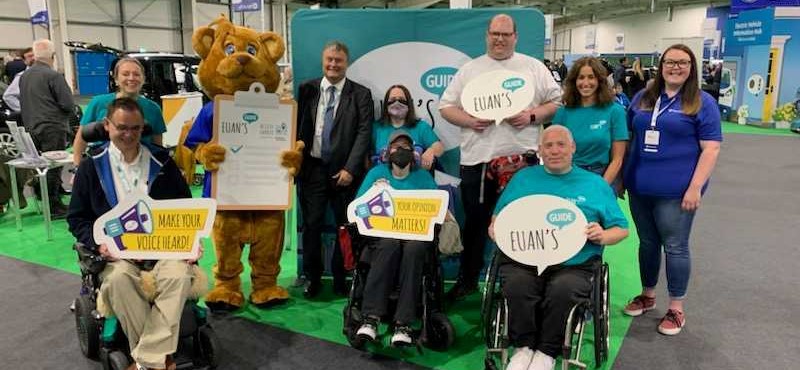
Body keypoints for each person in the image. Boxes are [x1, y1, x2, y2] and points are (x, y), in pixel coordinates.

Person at [67, 97, 196, 370]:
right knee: (118, 281)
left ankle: (146, 361)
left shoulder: (162, 162)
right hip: (117, 255)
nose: (128, 135)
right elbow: (77, 218)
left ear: (142, 128)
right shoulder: (91, 167)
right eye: (122, 128)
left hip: (162, 249)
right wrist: (98, 244)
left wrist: (191, 241)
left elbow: (184, 208)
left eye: (135, 129)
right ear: (107, 125)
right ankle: (161, 359)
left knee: (180, 275)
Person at [439, 13, 562, 300]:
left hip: (521, 160)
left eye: (506, 35)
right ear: (487, 35)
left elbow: (555, 102)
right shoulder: (470, 70)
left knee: (522, 224)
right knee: (475, 224)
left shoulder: (533, 68)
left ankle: (520, 285)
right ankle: (468, 279)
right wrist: (469, 120)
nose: (500, 39)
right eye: (495, 33)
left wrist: (531, 115)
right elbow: (446, 106)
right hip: (477, 160)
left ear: (515, 37)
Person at [488, 125, 629, 370]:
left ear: (573, 148)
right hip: (525, 256)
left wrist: (603, 235)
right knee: (518, 285)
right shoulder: (523, 178)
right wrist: (496, 229)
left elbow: (621, 229)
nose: (555, 150)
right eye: (548, 145)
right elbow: (497, 219)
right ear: (540, 150)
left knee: (563, 290)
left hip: (575, 261)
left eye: (561, 144)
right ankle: (524, 348)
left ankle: (546, 352)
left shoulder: (595, 184)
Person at [622, 44, 722, 336]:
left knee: (675, 246)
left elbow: (711, 149)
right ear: (661, 65)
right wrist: (623, 177)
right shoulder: (643, 97)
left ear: (691, 68)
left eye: (682, 62)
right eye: (670, 62)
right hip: (640, 187)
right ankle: (648, 295)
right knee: (648, 243)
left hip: (678, 191)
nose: (675, 67)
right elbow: (628, 136)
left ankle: (676, 308)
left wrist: (695, 188)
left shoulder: (702, 102)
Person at [296, 40, 374, 298]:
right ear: (323, 61)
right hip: (312, 170)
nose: (333, 65)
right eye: (329, 59)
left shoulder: (361, 94)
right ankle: (312, 278)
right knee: (312, 225)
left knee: (346, 227)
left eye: (338, 60)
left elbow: (364, 133)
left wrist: (351, 169)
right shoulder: (306, 89)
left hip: (345, 173)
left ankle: (343, 278)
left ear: (346, 63)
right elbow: (296, 126)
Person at [354, 130, 438, 347]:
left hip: (414, 236)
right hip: (383, 235)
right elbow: (358, 210)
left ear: (414, 153)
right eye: (396, 147)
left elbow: (438, 209)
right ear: (387, 151)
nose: (401, 151)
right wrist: (373, 194)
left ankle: (403, 323)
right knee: (389, 245)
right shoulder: (376, 174)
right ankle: (371, 318)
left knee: (414, 250)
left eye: (406, 148)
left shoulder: (423, 177)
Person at [71, 57, 166, 166]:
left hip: (141, 166)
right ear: (116, 79)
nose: (131, 78)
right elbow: (81, 138)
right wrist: (77, 167)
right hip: (103, 166)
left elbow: (158, 145)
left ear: (143, 79)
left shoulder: (153, 109)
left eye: (136, 74)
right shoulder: (98, 103)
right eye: (125, 74)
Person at [551, 57, 628, 189]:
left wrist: (600, 186)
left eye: (591, 77)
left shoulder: (615, 111)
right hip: (568, 177)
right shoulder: (563, 113)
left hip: (602, 177)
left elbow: (617, 159)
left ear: (599, 80)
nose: (585, 83)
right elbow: (554, 151)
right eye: (581, 77)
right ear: (574, 81)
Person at [19, 39, 75, 218]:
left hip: (31, 126)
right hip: (52, 126)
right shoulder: (53, 76)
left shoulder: (25, 76)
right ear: (52, 56)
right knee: (53, 166)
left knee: (41, 165)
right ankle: (54, 206)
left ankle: (46, 193)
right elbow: (67, 104)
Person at [371, 84, 443, 170]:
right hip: (383, 179)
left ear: (409, 104)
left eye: (402, 100)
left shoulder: (421, 127)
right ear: (386, 104)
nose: (397, 103)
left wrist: (431, 151)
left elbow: (439, 147)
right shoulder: (376, 128)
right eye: (392, 100)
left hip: (414, 178)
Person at [3, 48, 35, 113]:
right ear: (24, 60)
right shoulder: (22, 76)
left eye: (34, 55)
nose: (33, 58)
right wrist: (26, 111)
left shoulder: (49, 73)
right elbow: (8, 96)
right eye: (30, 56)